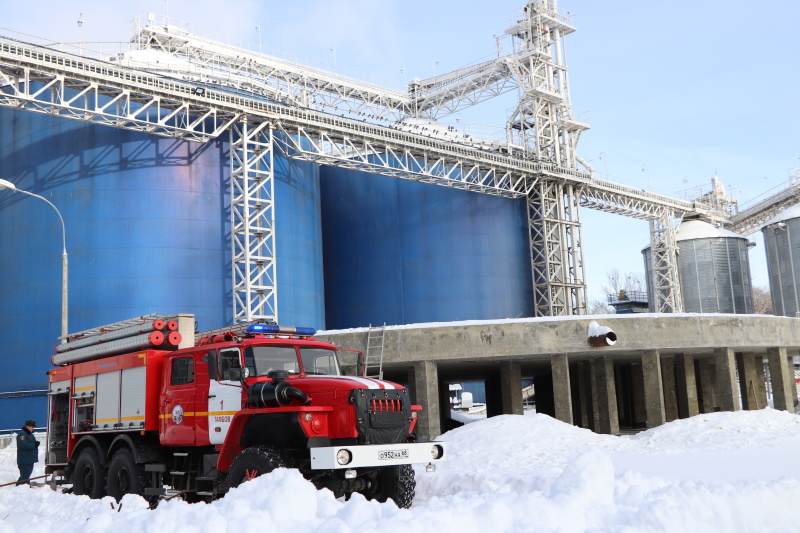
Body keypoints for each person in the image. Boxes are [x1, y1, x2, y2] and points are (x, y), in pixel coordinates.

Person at [15, 419, 39, 486]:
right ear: (27, 426)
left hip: (29, 459)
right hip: (25, 460)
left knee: (25, 476)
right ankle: (24, 489)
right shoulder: (22, 435)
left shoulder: (30, 434)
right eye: (32, 427)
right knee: (25, 477)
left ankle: (18, 487)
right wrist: (34, 445)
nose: (33, 428)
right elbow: (23, 445)